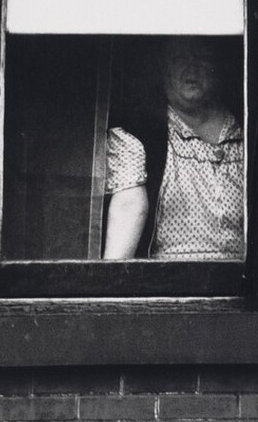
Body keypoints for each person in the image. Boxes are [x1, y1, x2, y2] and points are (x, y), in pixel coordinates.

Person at [102, 37, 244, 259]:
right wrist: (110, 286)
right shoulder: (140, 135)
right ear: (163, 67)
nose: (192, 68)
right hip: (170, 284)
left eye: (203, 58)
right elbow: (129, 207)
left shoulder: (246, 132)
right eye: (179, 58)